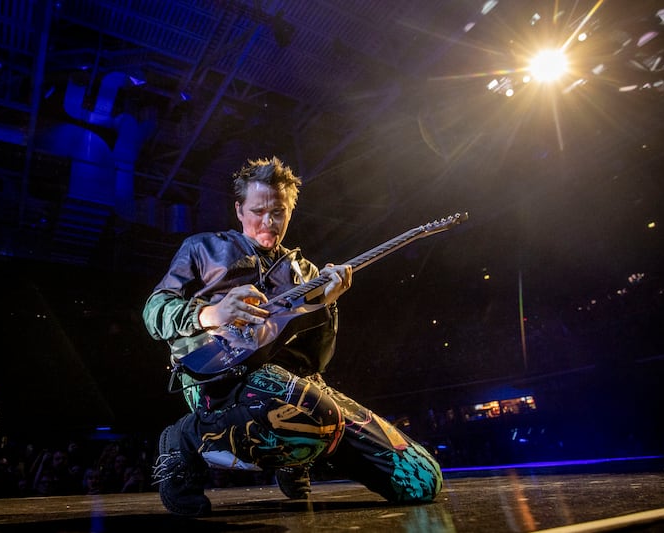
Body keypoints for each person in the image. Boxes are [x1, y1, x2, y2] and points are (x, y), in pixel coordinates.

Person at [142, 156, 442, 517]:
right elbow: (154, 311)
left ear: (291, 211)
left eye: (279, 212)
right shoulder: (202, 249)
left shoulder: (306, 272)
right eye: (258, 211)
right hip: (216, 380)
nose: (269, 222)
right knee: (317, 411)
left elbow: (316, 360)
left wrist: (326, 306)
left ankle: (295, 452)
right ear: (238, 210)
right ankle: (185, 439)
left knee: (420, 479)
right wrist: (212, 313)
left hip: (296, 387)